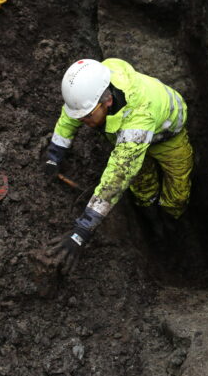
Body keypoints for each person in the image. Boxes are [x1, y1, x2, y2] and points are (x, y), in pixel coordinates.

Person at [42, 58, 193, 275]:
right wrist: (54, 156)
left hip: (167, 137)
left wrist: (81, 231)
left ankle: (170, 222)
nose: (81, 120)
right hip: (127, 136)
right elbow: (69, 117)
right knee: (142, 188)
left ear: (108, 102)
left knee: (178, 193)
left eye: (86, 116)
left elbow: (118, 176)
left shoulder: (139, 116)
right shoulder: (95, 84)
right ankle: (152, 222)